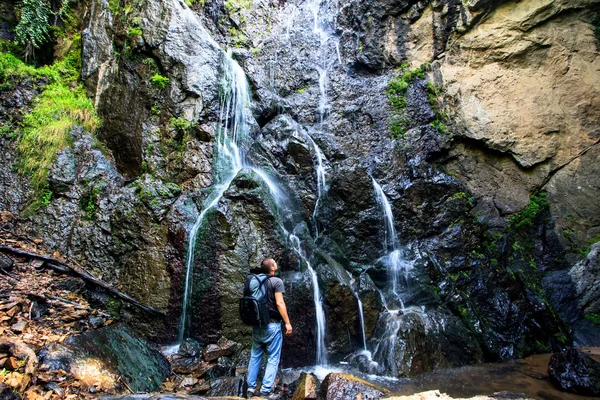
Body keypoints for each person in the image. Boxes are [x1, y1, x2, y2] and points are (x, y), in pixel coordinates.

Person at [246, 258, 292, 399]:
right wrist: (287, 323)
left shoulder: (253, 280)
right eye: (275, 263)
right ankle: (266, 390)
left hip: (257, 324)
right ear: (272, 268)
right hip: (272, 325)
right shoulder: (276, 281)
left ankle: (250, 388)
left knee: (255, 356)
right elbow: (279, 302)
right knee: (273, 357)